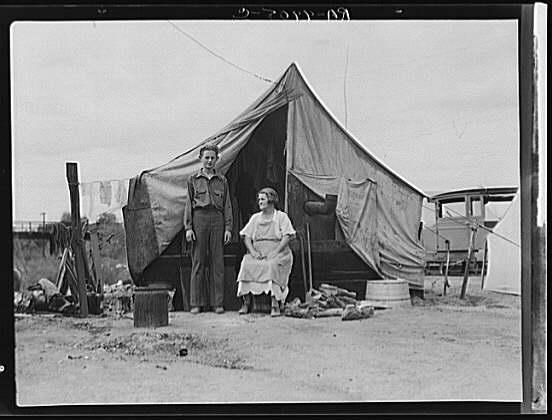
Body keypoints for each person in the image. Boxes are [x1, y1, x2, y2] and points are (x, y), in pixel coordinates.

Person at [184, 143, 233, 314]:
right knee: (198, 261)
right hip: (199, 219)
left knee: (217, 262)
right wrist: (188, 227)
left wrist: (228, 228)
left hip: (217, 219)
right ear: (200, 159)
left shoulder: (222, 180)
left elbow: (227, 205)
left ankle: (217, 303)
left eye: (213, 158)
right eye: (207, 157)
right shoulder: (193, 180)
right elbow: (188, 204)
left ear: (217, 159)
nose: (210, 161)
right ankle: (195, 303)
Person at [236, 187, 296, 317]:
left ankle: (275, 304)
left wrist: (276, 251)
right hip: (258, 253)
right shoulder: (255, 218)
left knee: (271, 265)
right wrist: (252, 252)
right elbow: (246, 236)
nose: (260, 202)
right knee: (246, 263)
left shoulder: (281, 217)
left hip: (279, 252)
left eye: (262, 199)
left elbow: (287, 236)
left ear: (271, 200)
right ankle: (246, 302)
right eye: (259, 199)